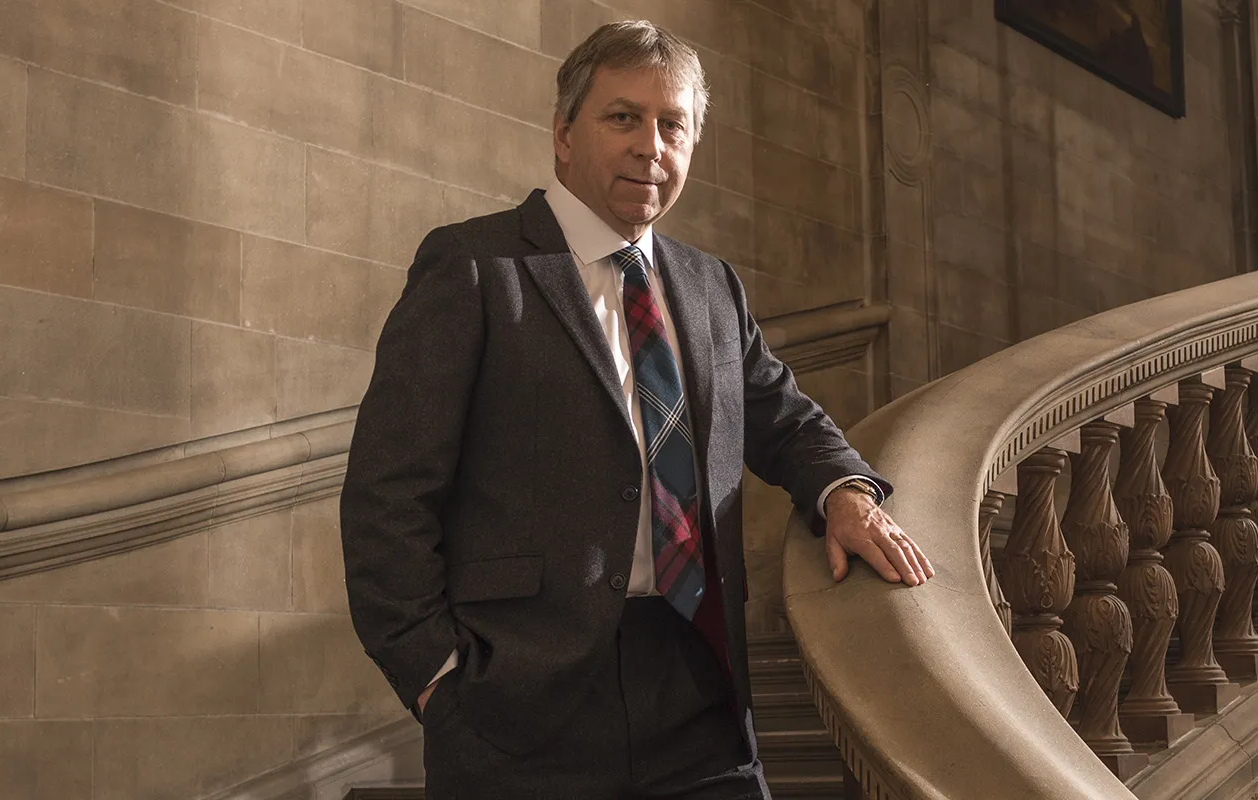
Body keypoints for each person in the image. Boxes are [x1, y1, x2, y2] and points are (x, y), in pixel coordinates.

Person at [339, 19, 934, 800]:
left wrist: (847, 493)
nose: (650, 145)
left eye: (672, 124)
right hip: (519, 703)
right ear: (563, 132)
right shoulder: (474, 269)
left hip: (700, 685)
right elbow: (387, 493)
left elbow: (784, 417)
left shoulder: (711, 286)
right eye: (623, 118)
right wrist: (437, 679)